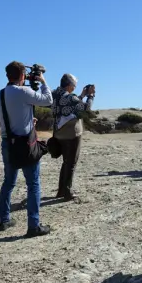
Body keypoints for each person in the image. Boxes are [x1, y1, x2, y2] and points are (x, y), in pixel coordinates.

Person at [0, 61, 53, 237]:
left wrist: (26, 121)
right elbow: (47, 100)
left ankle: (4, 220)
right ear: (22, 75)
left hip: (7, 142)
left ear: (7, 75)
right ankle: (33, 226)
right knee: (33, 184)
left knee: (8, 183)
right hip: (26, 143)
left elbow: (0, 119)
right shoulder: (24, 92)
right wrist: (43, 81)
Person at [51, 74, 95, 202]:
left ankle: (61, 190)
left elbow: (72, 104)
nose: (74, 88)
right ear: (70, 85)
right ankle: (67, 191)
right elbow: (86, 108)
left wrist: (81, 95)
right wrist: (91, 96)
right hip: (71, 133)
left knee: (65, 162)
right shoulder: (70, 97)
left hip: (58, 132)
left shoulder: (55, 94)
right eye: (74, 86)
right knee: (71, 162)